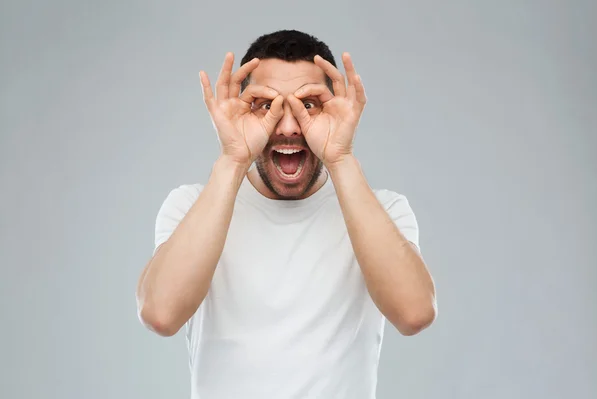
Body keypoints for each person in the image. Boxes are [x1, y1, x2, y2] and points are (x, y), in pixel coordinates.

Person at [136, 29, 437, 399]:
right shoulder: (192, 207)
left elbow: (415, 313)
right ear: (245, 109)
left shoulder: (384, 211)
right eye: (267, 105)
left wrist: (340, 157)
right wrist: (233, 159)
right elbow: (160, 315)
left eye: (307, 104)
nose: (290, 126)